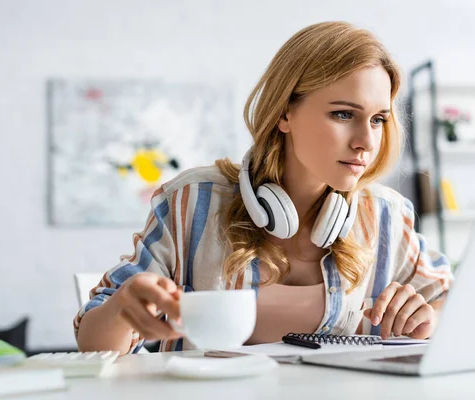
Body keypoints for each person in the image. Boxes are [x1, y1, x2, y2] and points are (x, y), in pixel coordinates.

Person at [74, 21, 453, 355]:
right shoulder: (194, 201)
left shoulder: (385, 215)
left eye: (378, 120)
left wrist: (427, 318)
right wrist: (126, 304)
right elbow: (92, 343)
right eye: (343, 114)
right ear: (285, 112)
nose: (366, 142)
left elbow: (456, 302)